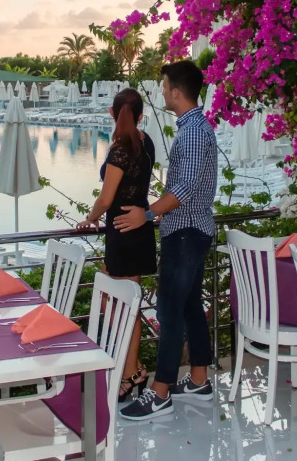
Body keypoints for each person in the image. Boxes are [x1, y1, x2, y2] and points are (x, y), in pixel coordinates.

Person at [113, 60, 218, 421]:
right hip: (191, 230)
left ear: (176, 91)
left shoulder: (193, 132)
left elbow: (185, 187)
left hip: (186, 232)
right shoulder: (195, 127)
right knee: (189, 307)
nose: (160, 92)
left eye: (163, 87)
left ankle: (160, 394)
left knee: (169, 311)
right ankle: (200, 380)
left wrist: (146, 213)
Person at [76, 88, 157, 401]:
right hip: (138, 229)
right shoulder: (145, 143)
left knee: (118, 305)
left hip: (122, 232)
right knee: (126, 304)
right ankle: (132, 370)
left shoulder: (120, 150)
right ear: (140, 116)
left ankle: (130, 372)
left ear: (111, 113)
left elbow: (106, 198)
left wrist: (89, 218)